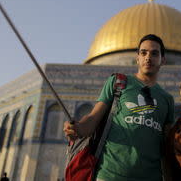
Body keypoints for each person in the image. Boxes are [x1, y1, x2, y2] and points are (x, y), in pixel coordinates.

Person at [64, 34, 175, 181]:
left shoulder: (167, 99)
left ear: (163, 60)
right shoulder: (118, 83)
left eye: (154, 53)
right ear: (137, 58)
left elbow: (166, 146)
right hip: (110, 174)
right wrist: (77, 128)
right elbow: (92, 119)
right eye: (143, 53)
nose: (148, 57)